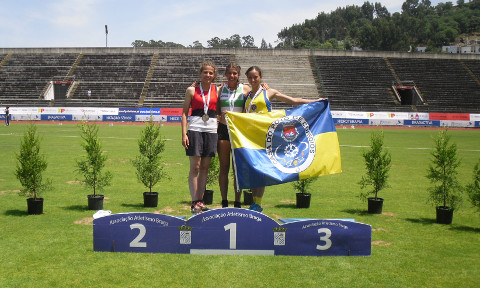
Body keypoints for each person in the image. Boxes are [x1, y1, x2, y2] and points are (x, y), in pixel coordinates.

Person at [243, 65, 325, 212]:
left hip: (265, 136)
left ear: (260, 77)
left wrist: (315, 101)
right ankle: (254, 203)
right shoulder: (247, 95)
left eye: (255, 76)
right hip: (250, 137)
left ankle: (258, 204)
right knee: (254, 171)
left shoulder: (269, 92)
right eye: (250, 77)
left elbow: (293, 100)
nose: (253, 79)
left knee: (261, 170)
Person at [182, 61, 219, 214]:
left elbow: (237, 87)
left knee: (204, 168)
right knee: (195, 168)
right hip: (195, 129)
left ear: (214, 75)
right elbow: (184, 113)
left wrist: (264, 87)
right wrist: (184, 133)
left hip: (211, 131)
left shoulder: (217, 89)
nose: (208, 75)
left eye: (211, 73)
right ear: (200, 73)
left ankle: (200, 201)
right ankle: (194, 201)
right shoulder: (191, 90)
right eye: (205, 72)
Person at [217, 63, 251, 208]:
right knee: (224, 167)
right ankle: (224, 201)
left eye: (235, 73)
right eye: (229, 73)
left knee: (238, 168)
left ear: (239, 75)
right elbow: (216, 110)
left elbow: (257, 94)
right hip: (224, 130)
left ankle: (237, 202)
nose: (232, 76)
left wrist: (265, 86)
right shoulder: (220, 89)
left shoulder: (245, 89)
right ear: (225, 74)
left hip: (239, 132)